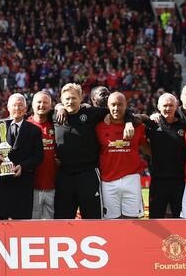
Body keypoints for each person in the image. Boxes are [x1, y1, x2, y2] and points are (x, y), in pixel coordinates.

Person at [54, 83, 132, 219]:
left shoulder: (92, 113)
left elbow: (120, 110)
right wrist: (58, 107)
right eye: (66, 99)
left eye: (73, 98)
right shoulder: (54, 116)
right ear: (61, 99)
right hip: (64, 175)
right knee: (63, 219)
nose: (70, 101)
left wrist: (129, 122)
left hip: (88, 174)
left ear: (80, 98)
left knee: (93, 219)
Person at [0, 93, 43, 220]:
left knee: (20, 229)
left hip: (22, 185)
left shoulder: (34, 130)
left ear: (26, 109)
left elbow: (38, 156)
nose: (17, 108)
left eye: (21, 106)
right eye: (14, 105)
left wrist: (23, 166)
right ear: (8, 107)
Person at [96, 92, 148, 219]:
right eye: (113, 105)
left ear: (126, 105)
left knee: (132, 221)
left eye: (120, 104)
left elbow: (147, 148)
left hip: (132, 179)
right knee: (111, 222)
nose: (116, 108)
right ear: (108, 106)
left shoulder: (138, 126)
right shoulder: (98, 127)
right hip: (108, 181)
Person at [143, 93, 186, 218]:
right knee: (155, 218)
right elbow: (141, 143)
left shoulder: (185, 127)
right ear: (158, 106)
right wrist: (154, 153)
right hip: (158, 180)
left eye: (171, 105)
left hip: (180, 181)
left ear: (176, 106)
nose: (168, 108)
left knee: (180, 218)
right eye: (165, 105)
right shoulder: (151, 124)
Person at [27, 91, 57, 219]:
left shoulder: (57, 125)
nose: (41, 105)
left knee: (52, 228)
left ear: (50, 106)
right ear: (32, 105)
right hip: (32, 187)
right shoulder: (25, 125)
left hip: (54, 186)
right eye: (38, 102)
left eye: (45, 102)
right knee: (33, 228)